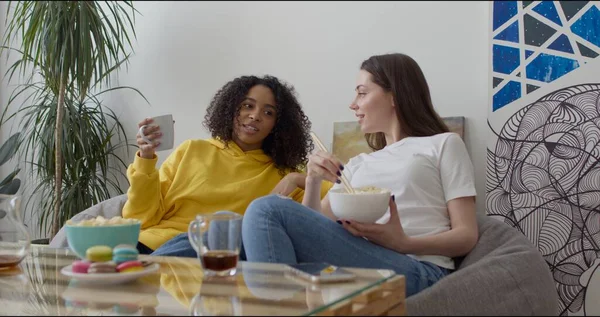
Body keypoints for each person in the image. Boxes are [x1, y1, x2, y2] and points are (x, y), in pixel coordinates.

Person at [241, 53, 478, 297]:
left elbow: (466, 235)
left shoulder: (443, 144)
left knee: (267, 209)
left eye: (362, 93)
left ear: (394, 95)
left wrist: (404, 243)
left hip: (418, 270)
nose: (353, 104)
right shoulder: (357, 164)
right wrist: (312, 180)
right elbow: (315, 227)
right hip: (365, 261)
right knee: (226, 226)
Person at [122, 75, 332, 256]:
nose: (255, 116)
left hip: (201, 253)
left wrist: (295, 179)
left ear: (278, 125)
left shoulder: (283, 173)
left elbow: (338, 196)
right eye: (248, 106)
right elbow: (140, 218)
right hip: (142, 246)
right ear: (231, 109)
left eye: (268, 113)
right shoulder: (191, 150)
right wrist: (146, 158)